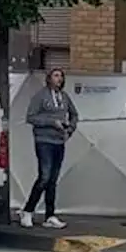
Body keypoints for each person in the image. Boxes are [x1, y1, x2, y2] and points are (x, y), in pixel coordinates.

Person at [20, 68, 78, 229]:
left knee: (53, 179)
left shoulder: (64, 97)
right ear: (49, 78)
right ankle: (28, 210)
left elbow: (74, 114)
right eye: (56, 75)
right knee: (44, 176)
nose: (59, 79)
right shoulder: (40, 96)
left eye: (61, 76)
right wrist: (52, 123)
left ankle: (50, 215)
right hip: (44, 140)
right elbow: (31, 117)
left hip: (59, 141)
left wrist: (70, 129)